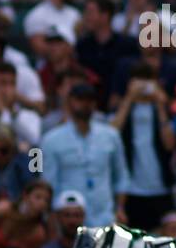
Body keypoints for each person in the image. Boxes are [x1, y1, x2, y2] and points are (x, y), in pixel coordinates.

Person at [39, 82, 129, 227]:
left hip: (105, 217)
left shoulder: (111, 136)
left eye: (89, 100)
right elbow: (47, 181)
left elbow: (121, 176)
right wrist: (51, 217)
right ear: (70, 102)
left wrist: (120, 209)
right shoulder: (50, 139)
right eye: (80, 99)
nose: (85, 104)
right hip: (68, 220)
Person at [108, 61, 176, 232]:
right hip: (131, 189)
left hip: (160, 186)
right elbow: (111, 137)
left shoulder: (163, 108)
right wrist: (129, 99)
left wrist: (160, 104)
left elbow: (169, 144)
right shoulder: (123, 108)